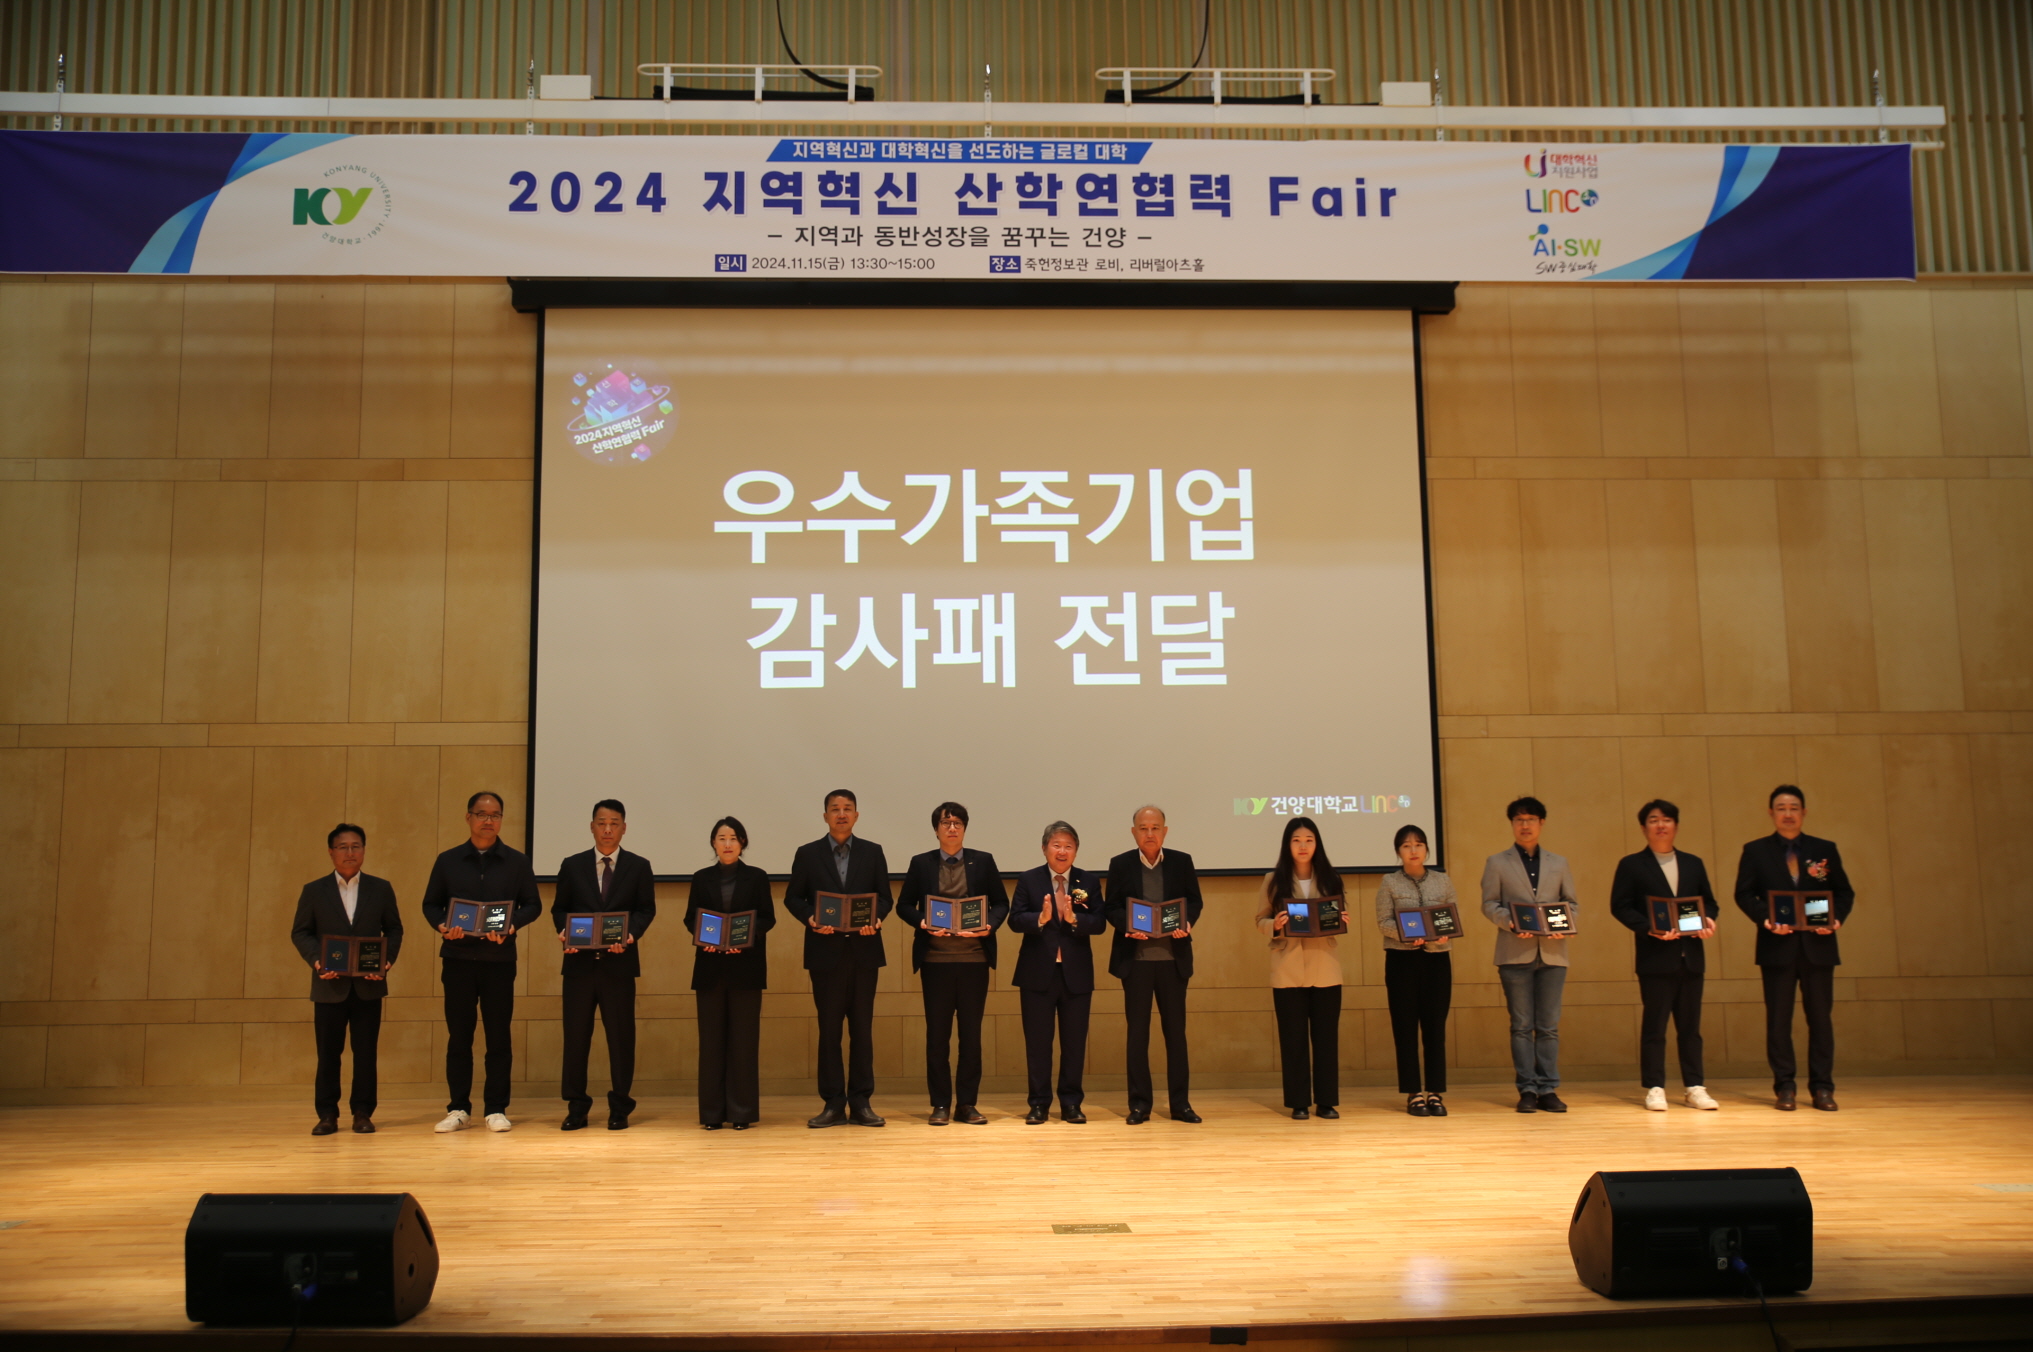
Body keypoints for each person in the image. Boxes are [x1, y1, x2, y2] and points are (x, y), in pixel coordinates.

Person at [420, 791, 542, 1134]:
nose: (489, 820)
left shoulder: (517, 862)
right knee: (459, 1036)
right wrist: (442, 925)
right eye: (482, 814)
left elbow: (533, 904)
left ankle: (496, 1108)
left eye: (495, 815)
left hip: (499, 960)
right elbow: (430, 904)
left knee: (498, 1037)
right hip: (457, 959)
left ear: (501, 819)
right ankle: (458, 1108)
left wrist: (512, 925)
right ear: (469, 817)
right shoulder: (448, 860)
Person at [1732, 784, 1855, 1112]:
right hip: (1777, 946)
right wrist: (1766, 919)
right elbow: (1743, 894)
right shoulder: (1755, 851)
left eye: (1794, 808)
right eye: (1781, 808)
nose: (1788, 814)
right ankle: (1784, 1087)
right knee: (1778, 1021)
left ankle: (1823, 1087)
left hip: (1819, 946)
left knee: (1821, 1020)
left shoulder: (1824, 849)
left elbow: (1844, 892)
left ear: (1804, 812)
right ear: (1771, 813)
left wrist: (1836, 919)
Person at [782, 789, 893, 1128]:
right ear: (825, 816)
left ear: (856, 815)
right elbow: (793, 897)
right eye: (835, 809)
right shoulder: (808, 853)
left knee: (862, 1030)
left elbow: (885, 898)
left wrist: (876, 919)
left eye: (847, 809)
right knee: (829, 1031)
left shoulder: (873, 852)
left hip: (864, 952)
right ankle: (832, 1103)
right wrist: (810, 918)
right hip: (825, 953)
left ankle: (861, 1102)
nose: (841, 814)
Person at [895, 802, 1009, 1125]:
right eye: (945, 823)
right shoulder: (921, 863)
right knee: (937, 1037)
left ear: (965, 828)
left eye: (957, 823)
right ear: (936, 829)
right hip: (935, 961)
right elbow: (904, 905)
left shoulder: (983, 861)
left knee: (971, 1037)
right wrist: (922, 922)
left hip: (974, 960)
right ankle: (941, 1104)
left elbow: (1001, 903)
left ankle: (967, 1104)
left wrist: (990, 925)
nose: (952, 828)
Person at [549, 799, 656, 1132]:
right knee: (576, 1038)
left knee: (621, 1039)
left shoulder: (638, 866)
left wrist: (631, 934)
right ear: (592, 827)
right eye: (601, 823)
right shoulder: (572, 865)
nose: (607, 829)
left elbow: (645, 910)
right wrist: (564, 931)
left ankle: (620, 1106)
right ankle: (576, 1107)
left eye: (614, 823)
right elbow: (559, 909)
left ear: (624, 828)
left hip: (619, 965)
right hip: (579, 967)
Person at [290, 823, 403, 1136]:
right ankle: (327, 1115)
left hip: (369, 984)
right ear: (331, 852)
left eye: (356, 846)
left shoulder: (380, 888)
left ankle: (362, 1113)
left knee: (366, 1054)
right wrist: (317, 961)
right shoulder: (314, 890)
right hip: (329, 985)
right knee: (328, 1055)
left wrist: (386, 961)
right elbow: (301, 932)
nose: (350, 852)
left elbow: (394, 929)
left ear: (364, 850)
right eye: (343, 847)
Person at [1609, 800, 1720, 1112]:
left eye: (1667, 819)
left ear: (1676, 826)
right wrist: (1649, 929)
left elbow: (1709, 903)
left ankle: (1695, 1087)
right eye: (1654, 820)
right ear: (1644, 827)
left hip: (1691, 957)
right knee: (1655, 1027)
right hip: (1655, 957)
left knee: (1691, 1028)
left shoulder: (1693, 863)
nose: (1661, 825)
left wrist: (1708, 920)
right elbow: (1620, 906)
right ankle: (1654, 1087)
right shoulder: (1632, 865)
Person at [1105, 805, 1206, 1124]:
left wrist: (1187, 922)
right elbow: (1111, 907)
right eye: (1143, 828)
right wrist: (1127, 925)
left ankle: (1181, 1104)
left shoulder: (1181, 861)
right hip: (1135, 962)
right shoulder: (1120, 864)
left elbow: (1195, 900)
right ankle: (1139, 1105)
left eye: (1155, 828)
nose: (1150, 833)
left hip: (1173, 961)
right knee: (1138, 1035)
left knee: (1176, 1034)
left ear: (1165, 831)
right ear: (1134, 832)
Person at [1480, 796, 1578, 1114]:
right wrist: (1509, 921)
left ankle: (1548, 1088)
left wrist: (1565, 925)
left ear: (1541, 823)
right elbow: (1489, 904)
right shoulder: (1497, 862)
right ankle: (1527, 1089)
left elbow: (1571, 904)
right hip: (1514, 953)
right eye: (1519, 820)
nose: (1525, 825)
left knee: (1548, 1025)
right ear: (1512, 824)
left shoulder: (1559, 863)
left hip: (1553, 954)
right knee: (1521, 1025)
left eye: (1531, 819)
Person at [1008, 821, 1108, 1124]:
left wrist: (1075, 919)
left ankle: (1071, 1103)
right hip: (1037, 974)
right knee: (1038, 1044)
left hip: (1076, 975)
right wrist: (1040, 918)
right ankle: (1038, 1104)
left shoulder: (1087, 882)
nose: (1062, 851)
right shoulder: (1029, 879)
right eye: (1056, 845)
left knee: (1074, 1044)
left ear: (1075, 851)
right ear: (1044, 849)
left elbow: (1100, 922)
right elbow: (1015, 919)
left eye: (1068, 846)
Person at [685, 816, 777, 1130]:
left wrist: (745, 938)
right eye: (722, 838)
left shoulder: (757, 877)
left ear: (742, 843)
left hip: (746, 969)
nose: (727, 844)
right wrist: (704, 939)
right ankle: (711, 1114)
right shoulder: (701, 878)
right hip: (709, 969)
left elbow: (767, 918)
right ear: (713, 843)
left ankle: (741, 1113)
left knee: (744, 1043)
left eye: (733, 838)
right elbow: (691, 919)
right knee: (711, 1044)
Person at [1256, 816, 1350, 1121]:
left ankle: (1326, 1101)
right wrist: (1275, 924)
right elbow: (1260, 920)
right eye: (1296, 840)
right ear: (1287, 845)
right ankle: (1298, 1102)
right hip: (1288, 967)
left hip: (1325, 967)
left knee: (1326, 1039)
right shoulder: (1273, 880)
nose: (1303, 846)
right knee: (1293, 1039)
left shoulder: (1331, 877)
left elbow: (1338, 915)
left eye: (1309, 840)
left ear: (1317, 844)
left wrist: (1342, 920)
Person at [1372, 823, 1454, 1117]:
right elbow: (1383, 922)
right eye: (1406, 846)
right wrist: (1407, 935)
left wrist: (1444, 933)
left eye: (1418, 844)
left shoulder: (1442, 881)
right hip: (1401, 961)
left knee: (1435, 1028)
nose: (1413, 850)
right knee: (1405, 1028)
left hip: (1437, 960)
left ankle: (1435, 1092)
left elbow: (1450, 917)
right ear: (1399, 852)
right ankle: (1413, 1093)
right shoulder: (1389, 882)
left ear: (1427, 849)